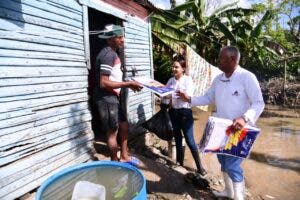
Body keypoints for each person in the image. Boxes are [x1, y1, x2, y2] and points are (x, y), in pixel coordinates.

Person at [177, 46, 265, 200]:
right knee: (223, 161)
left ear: (233, 59)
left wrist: (244, 118)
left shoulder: (247, 77)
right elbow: (208, 98)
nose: (218, 61)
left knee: (232, 165)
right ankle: (228, 191)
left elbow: (259, 103)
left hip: (239, 130)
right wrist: (189, 98)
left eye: (221, 58)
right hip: (220, 129)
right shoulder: (218, 79)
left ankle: (239, 197)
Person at [94, 24, 143, 165]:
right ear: (110, 39)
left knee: (124, 125)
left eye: (123, 37)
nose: (123, 40)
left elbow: (114, 78)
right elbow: (104, 82)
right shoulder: (108, 55)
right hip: (106, 98)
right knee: (112, 131)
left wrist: (131, 83)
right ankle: (115, 163)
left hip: (114, 97)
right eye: (119, 37)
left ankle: (124, 156)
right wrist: (128, 84)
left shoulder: (114, 53)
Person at [162, 55, 207, 176]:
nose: (174, 69)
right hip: (173, 112)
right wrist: (164, 98)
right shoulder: (171, 81)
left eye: (176, 67)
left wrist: (171, 95)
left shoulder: (188, 80)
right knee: (177, 138)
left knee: (189, 140)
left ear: (183, 69)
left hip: (185, 113)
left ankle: (200, 167)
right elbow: (165, 96)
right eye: (173, 66)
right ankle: (179, 163)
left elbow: (188, 97)